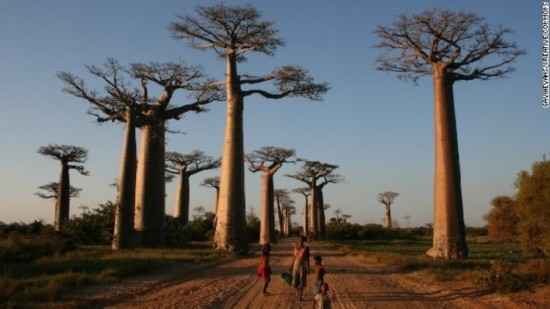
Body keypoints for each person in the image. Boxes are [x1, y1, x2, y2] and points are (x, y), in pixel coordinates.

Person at [289, 235, 310, 301]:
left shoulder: (306, 248)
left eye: (302, 240)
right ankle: (298, 292)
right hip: (295, 265)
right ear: (298, 240)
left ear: (304, 241)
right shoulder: (295, 248)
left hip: (303, 266)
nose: (301, 241)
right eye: (300, 240)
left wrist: (308, 267)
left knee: (302, 281)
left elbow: (308, 258)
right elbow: (294, 258)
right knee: (295, 281)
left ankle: (300, 296)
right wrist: (291, 266)